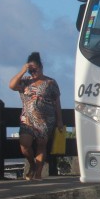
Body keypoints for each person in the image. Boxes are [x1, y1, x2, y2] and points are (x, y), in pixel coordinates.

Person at [9, 52, 63, 181]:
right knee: (24, 145)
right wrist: (23, 71)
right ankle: (32, 166)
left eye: (35, 69)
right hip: (27, 118)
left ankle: (38, 173)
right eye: (30, 70)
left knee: (41, 145)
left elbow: (57, 103)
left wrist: (60, 120)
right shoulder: (25, 82)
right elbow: (11, 85)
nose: (32, 72)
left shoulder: (50, 83)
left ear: (41, 66)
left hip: (46, 119)